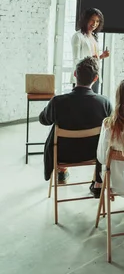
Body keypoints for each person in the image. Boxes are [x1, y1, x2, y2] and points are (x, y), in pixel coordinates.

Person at [40, 57, 112, 195]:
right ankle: (98, 182)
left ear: (75, 74)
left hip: (62, 154)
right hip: (94, 153)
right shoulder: (104, 103)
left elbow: (44, 120)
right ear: (96, 78)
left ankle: (61, 171)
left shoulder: (57, 101)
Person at [71, 7, 110, 94]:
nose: (94, 24)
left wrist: (101, 56)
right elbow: (76, 60)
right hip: (82, 78)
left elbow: (93, 59)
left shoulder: (94, 37)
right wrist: (90, 59)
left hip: (95, 76)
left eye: (97, 21)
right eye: (92, 20)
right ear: (86, 20)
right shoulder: (78, 36)